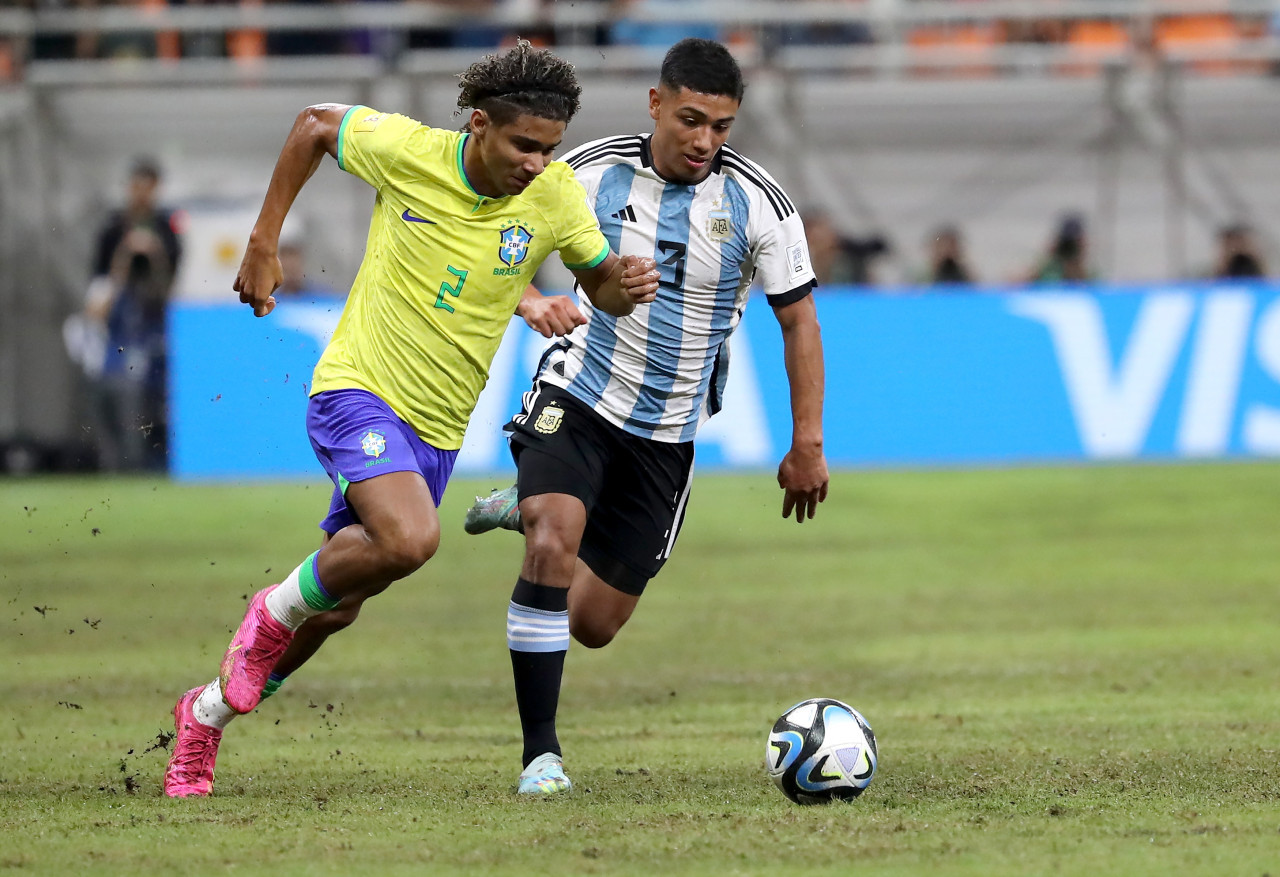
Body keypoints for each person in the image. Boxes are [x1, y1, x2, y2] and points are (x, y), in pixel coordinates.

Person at [162, 40, 661, 798]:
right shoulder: (408, 150)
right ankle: (267, 612)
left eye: (549, 148)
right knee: (411, 538)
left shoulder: (556, 193)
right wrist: (264, 239)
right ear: (478, 125)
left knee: (335, 610)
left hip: (435, 430)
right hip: (357, 389)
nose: (537, 162)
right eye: (524, 144)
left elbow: (603, 287)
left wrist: (625, 284)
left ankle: (204, 714)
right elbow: (311, 126)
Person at [464, 37, 829, 795]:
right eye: (692, 119)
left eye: (722, 126)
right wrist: (535, 298)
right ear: (656, 103)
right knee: (553, 545)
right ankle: (542, 756)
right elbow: (503, 239)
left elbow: (799, 322)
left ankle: (527, 507)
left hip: (667, 432)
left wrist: (807, 444)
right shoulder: (586, 171)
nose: (705, 140)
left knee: (593, 622)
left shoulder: (758, 202)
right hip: (582, 392)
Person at [69, 156, 183, 472]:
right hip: (116, 328)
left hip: (152, 327)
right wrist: (125, 253)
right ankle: (114, 461)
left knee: (149, 401)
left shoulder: (165, 227)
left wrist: (154, 251)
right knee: (108, 398)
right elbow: (100, 287)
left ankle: (149, 461)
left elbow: (170, 283)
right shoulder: (113, 227)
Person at [1027, 213, 1092, 283]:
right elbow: (1021, 282)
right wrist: (1047, 259)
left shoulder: (1089, 273)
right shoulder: (1047, 269)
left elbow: (1094, 286)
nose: (1069, 249)